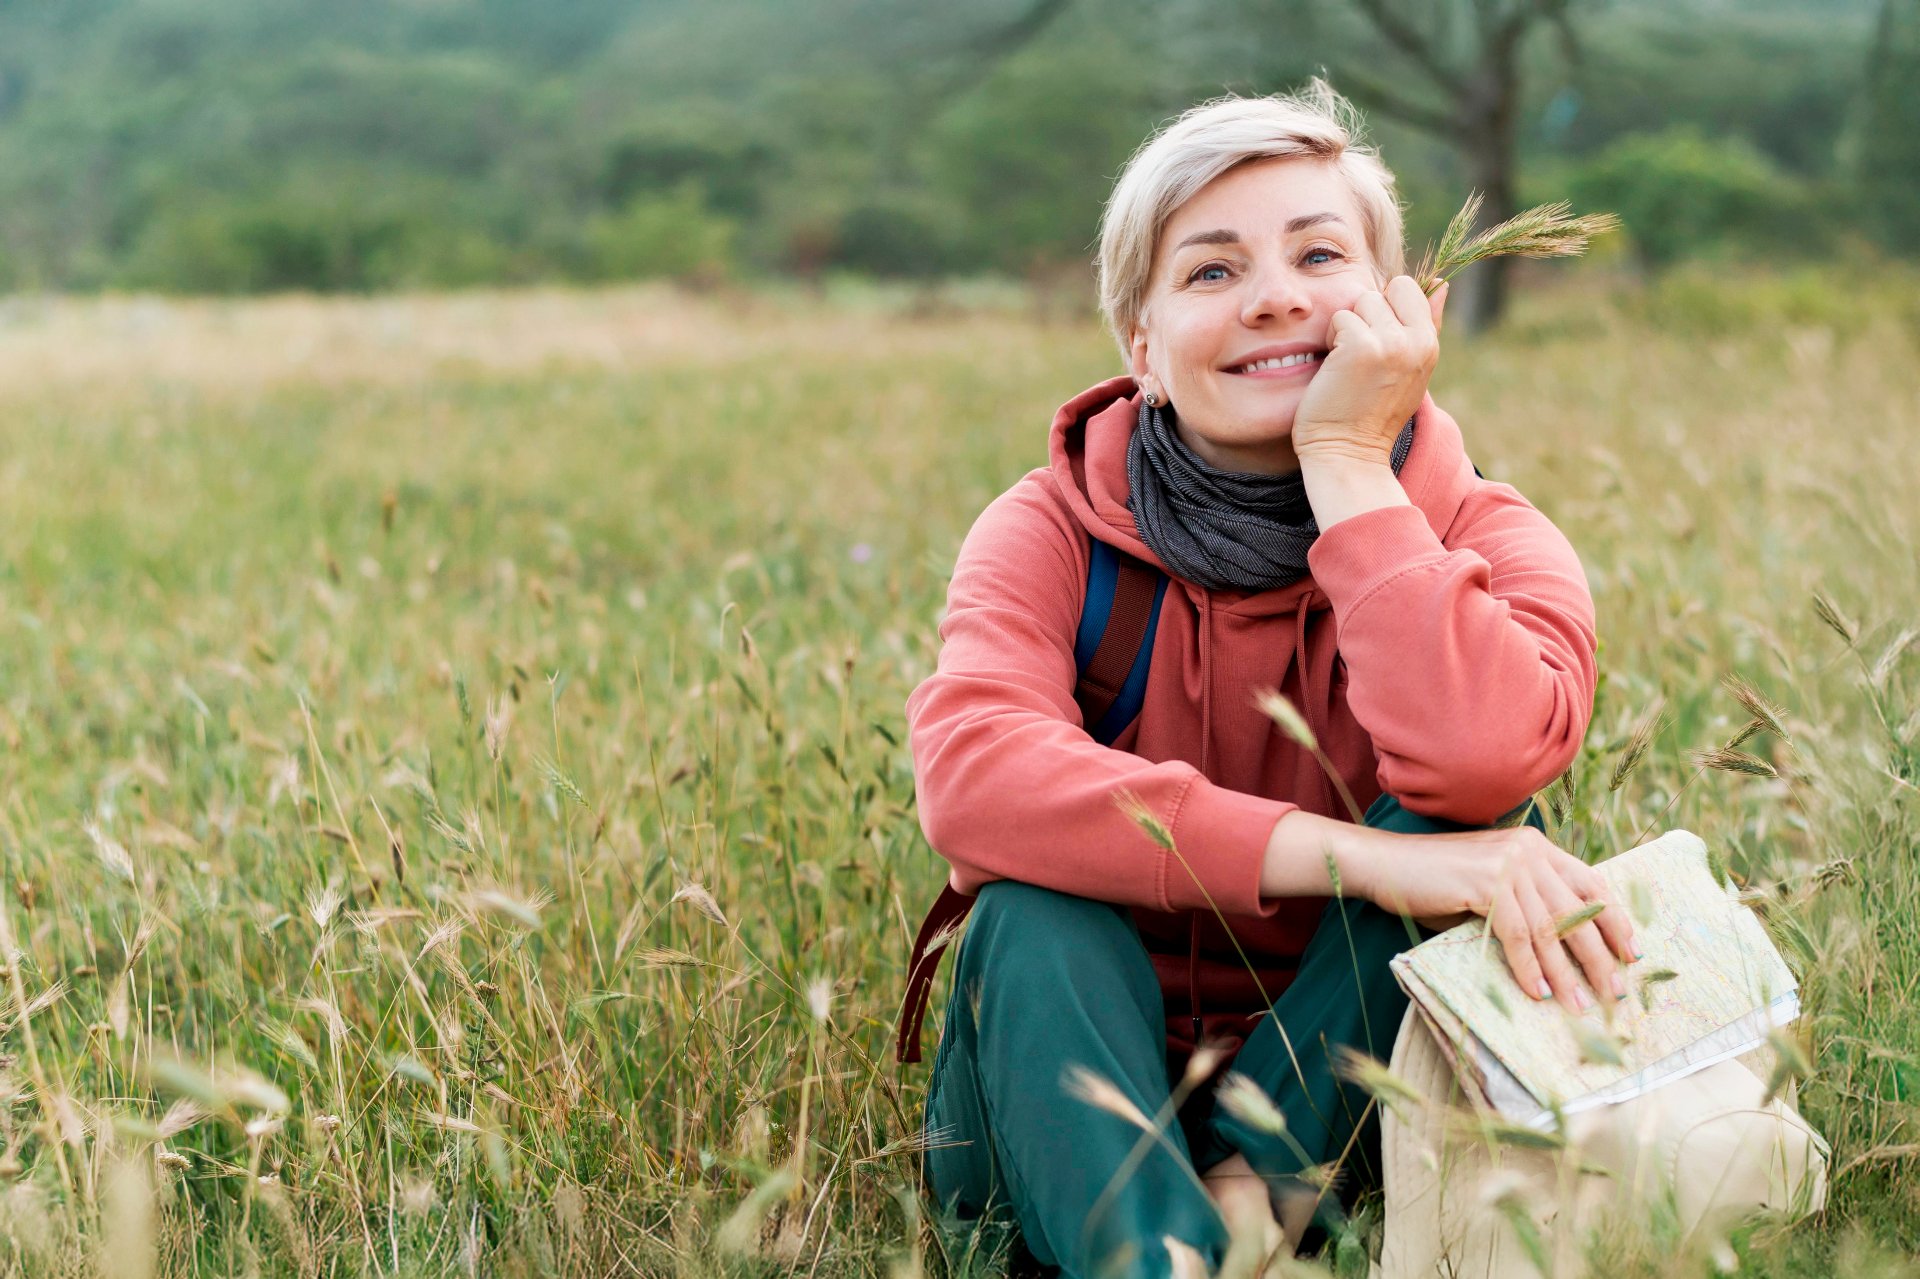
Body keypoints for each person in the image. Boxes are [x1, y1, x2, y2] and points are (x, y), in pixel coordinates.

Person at [901, 80, 1641, 1278]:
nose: (1278, 296)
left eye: (1320, 254)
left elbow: (1486, 763)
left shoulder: (1486, 533)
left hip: (1348, 1120)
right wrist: (1367, 856)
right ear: (1140, 347)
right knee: (1031, 909)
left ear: (1402, 306)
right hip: (1055, 1121)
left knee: (1480, 824)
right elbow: (974, 785)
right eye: (1211, 271)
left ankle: (1241, 1220)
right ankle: (1165, 1261)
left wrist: (1349, 459)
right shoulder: (1051, 528)